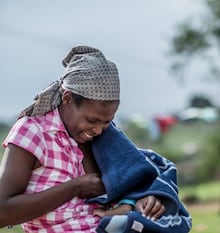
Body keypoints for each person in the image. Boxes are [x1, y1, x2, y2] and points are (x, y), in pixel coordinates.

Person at [0, 45, 165, 232]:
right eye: (91, 120)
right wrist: (75, 187)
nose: (98, 130)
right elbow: (3, 212)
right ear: (68, 98)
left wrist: (142, 199)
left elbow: (132, 180)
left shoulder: (105, 139)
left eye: (106, 122)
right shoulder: (33, 131)